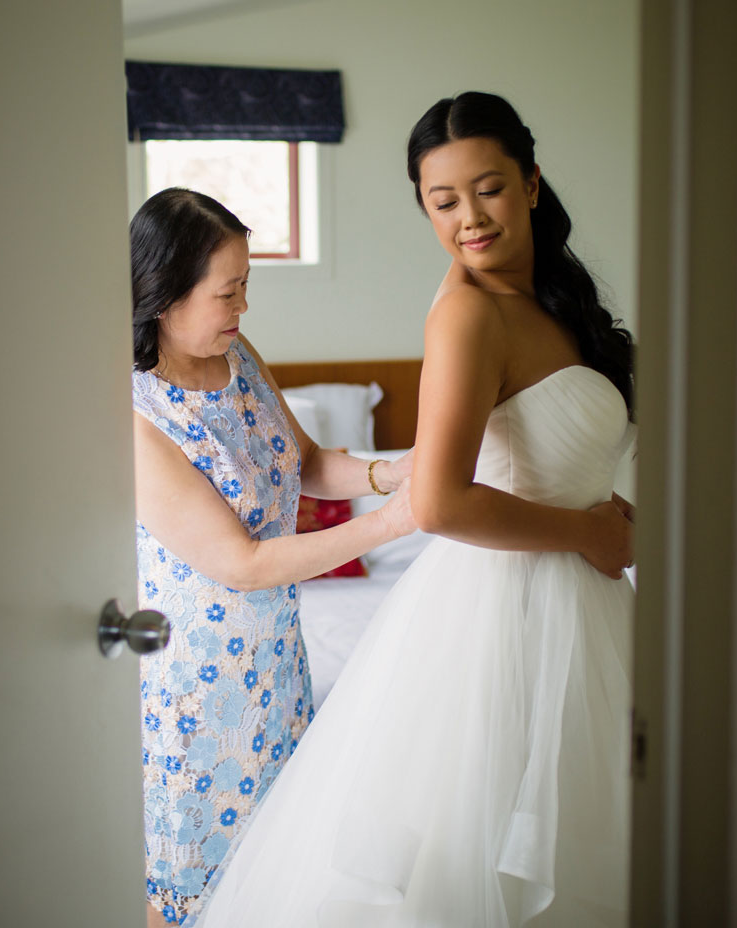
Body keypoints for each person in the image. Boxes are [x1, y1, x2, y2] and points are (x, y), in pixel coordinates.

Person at [188, 92, 638, 928]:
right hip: (506, 605)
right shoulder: (468, 313)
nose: (470, 216)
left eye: (490, 188)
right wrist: (586, 531)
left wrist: (602, 516)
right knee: (478, 855)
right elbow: (438, 499)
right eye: (443, 201)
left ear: (533, 184)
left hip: (587, 596)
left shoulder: (555, 300)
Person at [130, 187, 419, 927]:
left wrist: (397, 471)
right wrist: (395, 522)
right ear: (163, 296)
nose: (243, 308)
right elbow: (244, 562)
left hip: (275, 665)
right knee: (203, 881)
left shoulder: (238, 357)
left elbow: (309, 464)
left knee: (278, 865)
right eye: (228, 292)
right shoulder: (135, 415)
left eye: (245, 286)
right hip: (195, 689)